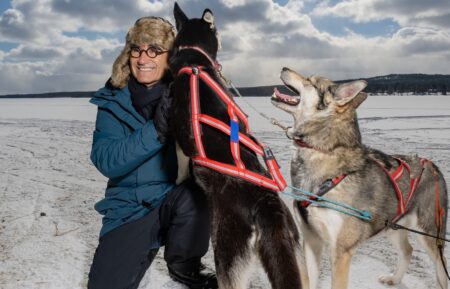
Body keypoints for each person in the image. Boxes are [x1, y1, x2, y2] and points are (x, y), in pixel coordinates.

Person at [87, 16, 217, 289]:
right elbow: (107, 160)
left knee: (196, 194)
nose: (143, 58)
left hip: (176, 199)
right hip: (130, 208)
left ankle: (185, 266)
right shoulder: (113, 100)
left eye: (155, 50)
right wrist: (157, 130)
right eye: (137, 48)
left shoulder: (183, 94)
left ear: (170, 56)